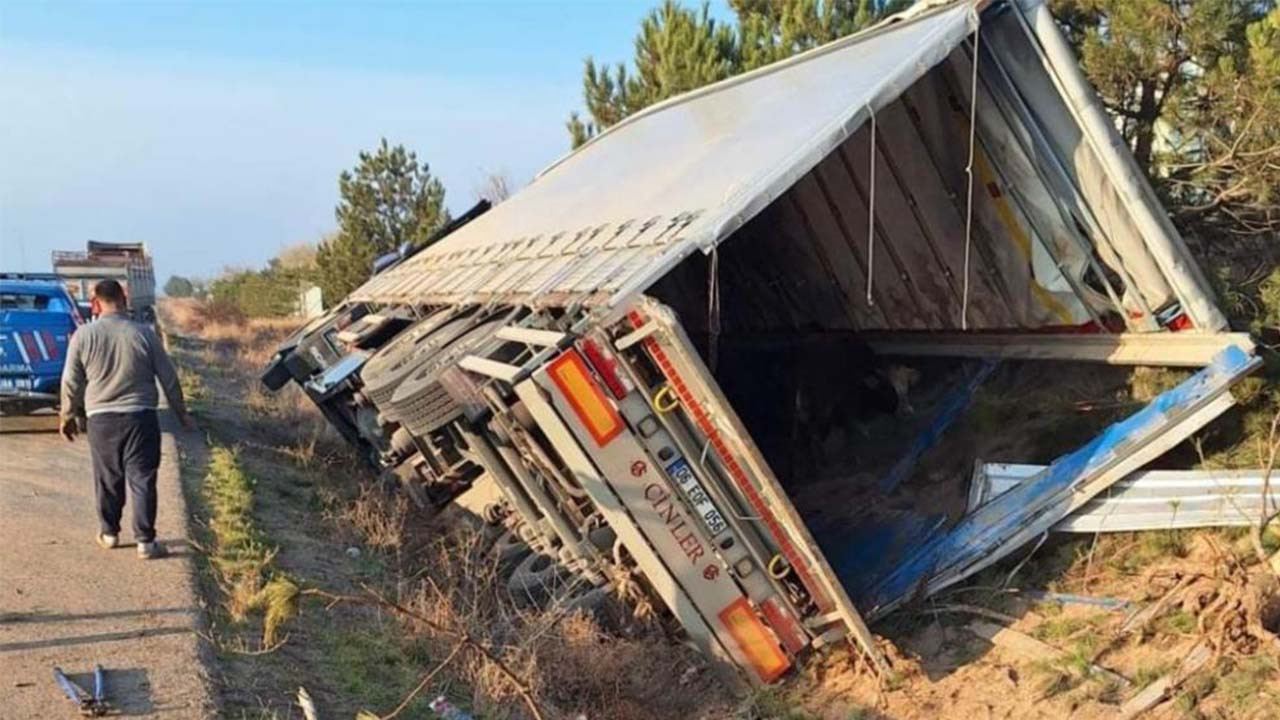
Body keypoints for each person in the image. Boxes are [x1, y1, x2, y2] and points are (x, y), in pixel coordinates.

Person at [60, 279, 192, 559]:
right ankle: (146, 541)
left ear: (95, 302)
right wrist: (181, 413)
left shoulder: (83, 336)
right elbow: (169, 378)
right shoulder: (144, 334)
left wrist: (67, 415)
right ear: (124, 299)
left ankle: (109, 533)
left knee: (108, 478)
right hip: (141, 417)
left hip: (101, 420)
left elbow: (71, 381)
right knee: (142, 478)